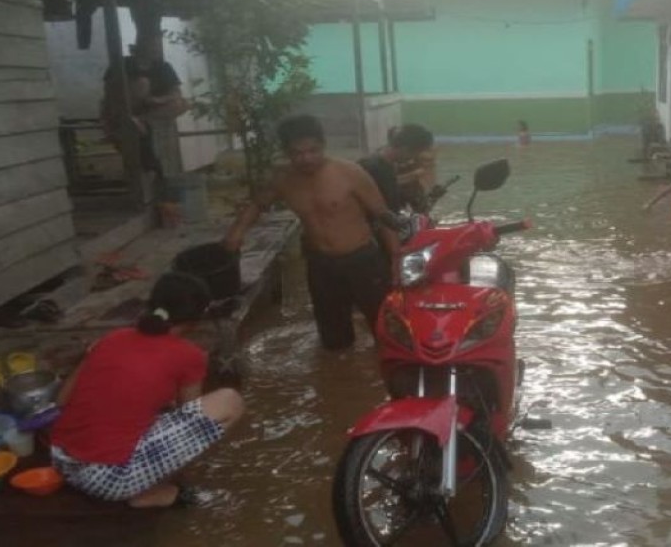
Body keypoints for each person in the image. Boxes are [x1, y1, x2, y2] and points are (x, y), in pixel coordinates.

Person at [50, 273, 245, 508]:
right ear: (196, 318)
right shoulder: (189, 355)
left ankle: (142, 482)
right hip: (107, 480)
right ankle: (151, 492)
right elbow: (190, 416)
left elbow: (62, 400)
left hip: (61, 461)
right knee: (230, 400)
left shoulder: (113, 337)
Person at [222, 115, 399, 349]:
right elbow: (257, 204)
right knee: (334, 342)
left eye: (313, 150)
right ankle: (339, 380)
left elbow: (382, 215)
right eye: (297, 153)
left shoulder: (350, 172)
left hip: (362, 260)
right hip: (321, 264)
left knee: (386, 332)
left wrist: (397, 259)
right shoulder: (283, 180)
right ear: (286, 152)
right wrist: (237, 232)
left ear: (323, 145)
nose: (306, 158)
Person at [100, 37, 188, 183]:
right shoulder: (123, 64)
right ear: (135, 48)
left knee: (182, 103)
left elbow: (176, 93)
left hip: (151, 110)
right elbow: (108, 93)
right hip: (124, 107)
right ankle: (133, 121)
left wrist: (158, 100)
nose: (151, 50)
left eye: (154, 46)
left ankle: (140, 121)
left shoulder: (164, 67)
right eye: (146, 46)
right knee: (142, 84)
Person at [358, 123, 435, 214]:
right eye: (415, 153)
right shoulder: (374, 169)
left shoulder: (384, 164)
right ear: (405, 149)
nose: (414, 158)